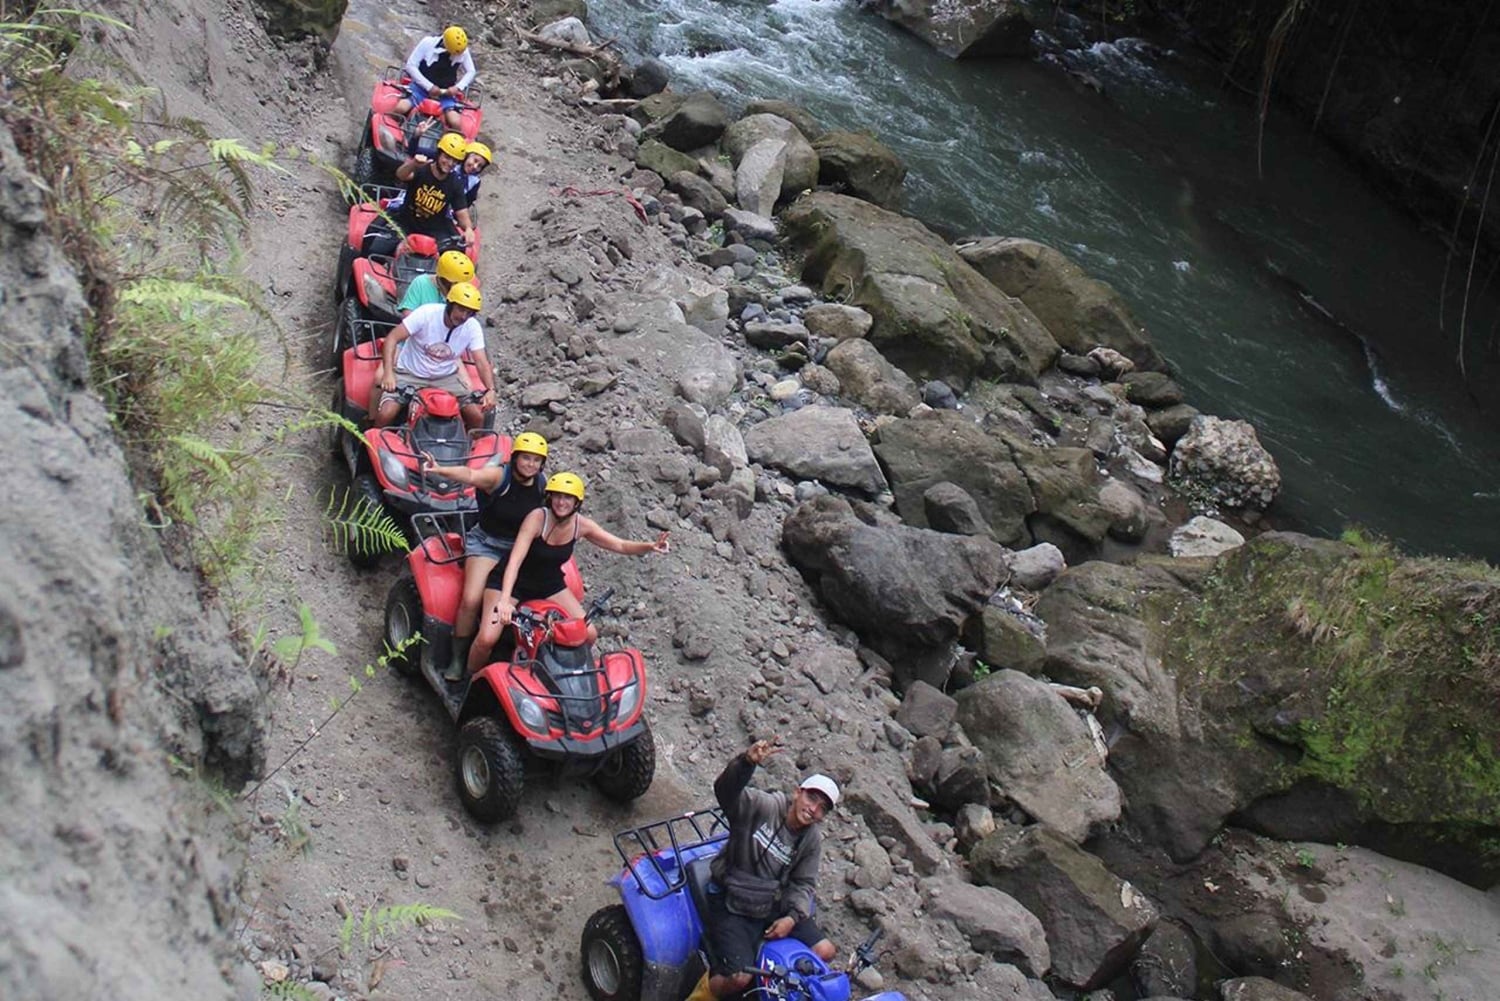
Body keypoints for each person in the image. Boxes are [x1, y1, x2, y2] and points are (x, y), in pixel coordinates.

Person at [475, 472, 669, 673]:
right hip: (513, 582)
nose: (561, 502)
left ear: (577, 502)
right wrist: (505, 600)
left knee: (589, 634)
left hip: (548, 584)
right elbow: (514, 561)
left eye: (567, 498)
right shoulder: (536, 518)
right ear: (549, 498)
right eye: (557, 496)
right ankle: (469, 680)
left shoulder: (581, 525)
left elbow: (619, 544)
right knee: (486, 638)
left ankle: (564, 675)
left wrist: (650, 546)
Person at [703, 739, 839, 1000]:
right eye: (812, 798)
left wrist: (791, 918)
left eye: (822, 809)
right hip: (731, 896)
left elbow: (803, 884)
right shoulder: (764, 806)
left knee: (825, 951)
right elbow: (725, 793)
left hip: (771, 902)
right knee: (739, 978)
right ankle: (704, 991)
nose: (813, 810)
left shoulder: (811, 840)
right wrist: (745, 764)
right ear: (798, 792)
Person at [419, 432, 551, 681]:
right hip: (488, 543)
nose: (530, 465)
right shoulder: (500, 477)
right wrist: (440, 470)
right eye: (526, 458)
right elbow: (471, 475)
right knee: (471, 599)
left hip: (520, 548)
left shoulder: (542, 485)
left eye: (536, 460)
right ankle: (458, 657)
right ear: (515, 458)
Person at [371, 281, 495, 430]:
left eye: (470, 313)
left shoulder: (472, 326)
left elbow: (481, 361)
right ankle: (371, 442)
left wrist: (490, 390)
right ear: (450, 304)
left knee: (476, 417)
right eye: (461, 309)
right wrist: (388, 374)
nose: (463, 316)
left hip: (446, 377)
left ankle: (469, 447)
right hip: (410, 373)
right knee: (386, 413)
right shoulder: (426, 314)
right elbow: (392, 338)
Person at [365, 132, 476, 259]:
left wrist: (468, 229)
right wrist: (413, 164)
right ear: (439, 154)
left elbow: (462, 212)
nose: (450, 163)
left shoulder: (455, 183)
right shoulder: (422, 168)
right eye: (447, 157)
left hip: (436, 229)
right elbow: (401, 175)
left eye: (455, 161)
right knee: (373, 250)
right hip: (406, 221)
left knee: (456, 258)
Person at [393, 26, 476, 132]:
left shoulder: (462, 51)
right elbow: (411, 66)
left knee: (456, 122)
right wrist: (429, 86)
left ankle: (448, 143)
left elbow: (471, 71)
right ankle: (395, 131)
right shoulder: (428, 43)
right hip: (420, 89)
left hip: (445, 94)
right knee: (400, 108)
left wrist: (457, 88)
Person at [398, 249, 474, 314]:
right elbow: (408, 315)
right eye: (455, 283)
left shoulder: (466, 292)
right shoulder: (421, 283)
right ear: (444, 280)